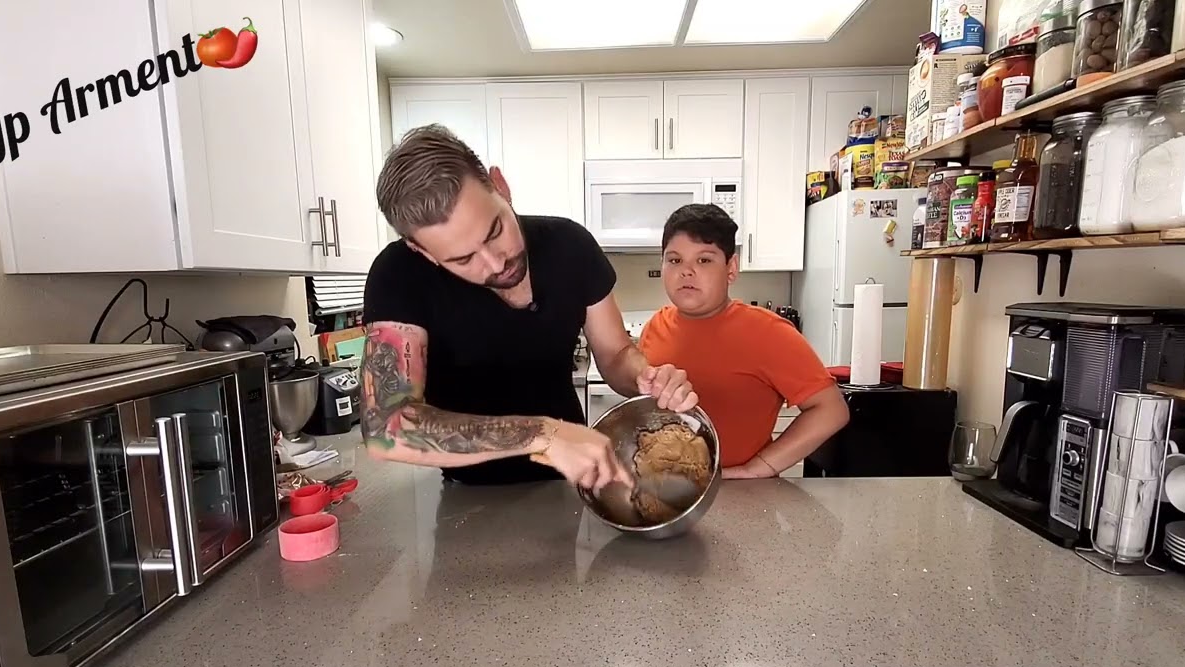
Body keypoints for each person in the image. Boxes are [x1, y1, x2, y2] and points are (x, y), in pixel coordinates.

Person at [360, 124, 698, 490]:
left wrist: (644, 376)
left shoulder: (570, 246)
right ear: (422, 251)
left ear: (500, 187)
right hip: (469, 496)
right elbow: (387, 428)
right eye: (462, 259)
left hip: (570, 487)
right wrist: (544, 434)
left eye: (494, 232)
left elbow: (615, 353)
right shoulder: (399, 276)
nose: (494, 263)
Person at [638, 204, 849, 479]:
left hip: (743, 493)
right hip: (667, 491)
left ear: (731, 268)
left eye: (704, 260)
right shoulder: (655, 327)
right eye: (675, 260)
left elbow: (831, 410)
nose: (686, 271)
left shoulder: (770, 333)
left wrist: (758, 467)